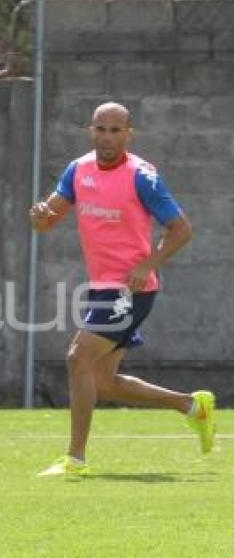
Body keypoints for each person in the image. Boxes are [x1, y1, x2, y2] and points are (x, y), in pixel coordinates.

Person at [29, 101, 213, 477]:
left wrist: (147, 264)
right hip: (102, 287)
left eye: (116, 130)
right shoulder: (78, 170)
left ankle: (75, 460)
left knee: (77, 358)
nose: (107, 137)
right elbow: (49, 219)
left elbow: (181, 229)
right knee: (103, 383)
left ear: (129, 133)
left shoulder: (142, 176)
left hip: (132, 289)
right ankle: (192, 407)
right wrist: (40, 218)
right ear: (90, 131)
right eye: (101, 129)